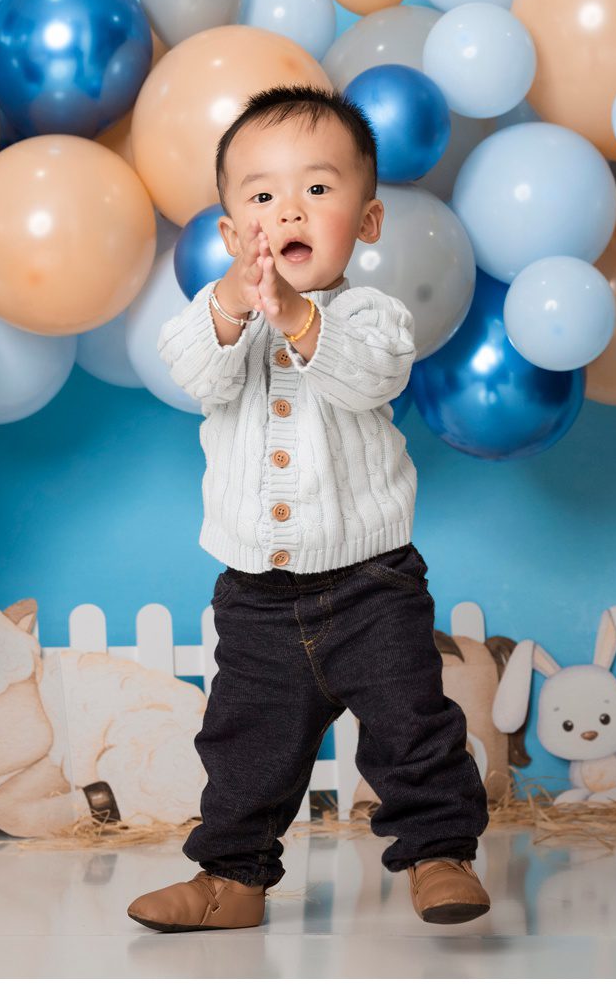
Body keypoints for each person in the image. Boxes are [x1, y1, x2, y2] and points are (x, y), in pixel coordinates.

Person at [127, 85, 490, 932]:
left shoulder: (372, 316)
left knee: (412, 725)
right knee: (245, 744)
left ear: (365, 224)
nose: (287, 208)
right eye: (260, 196)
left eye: (318, 190)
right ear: (228, 234)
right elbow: (192, 373)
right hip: (255, 593)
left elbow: (369, 375)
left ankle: (440, 854)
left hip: (370, 585)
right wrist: (231, 304)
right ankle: (232, 879)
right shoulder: (218, 321)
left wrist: (294, 317)